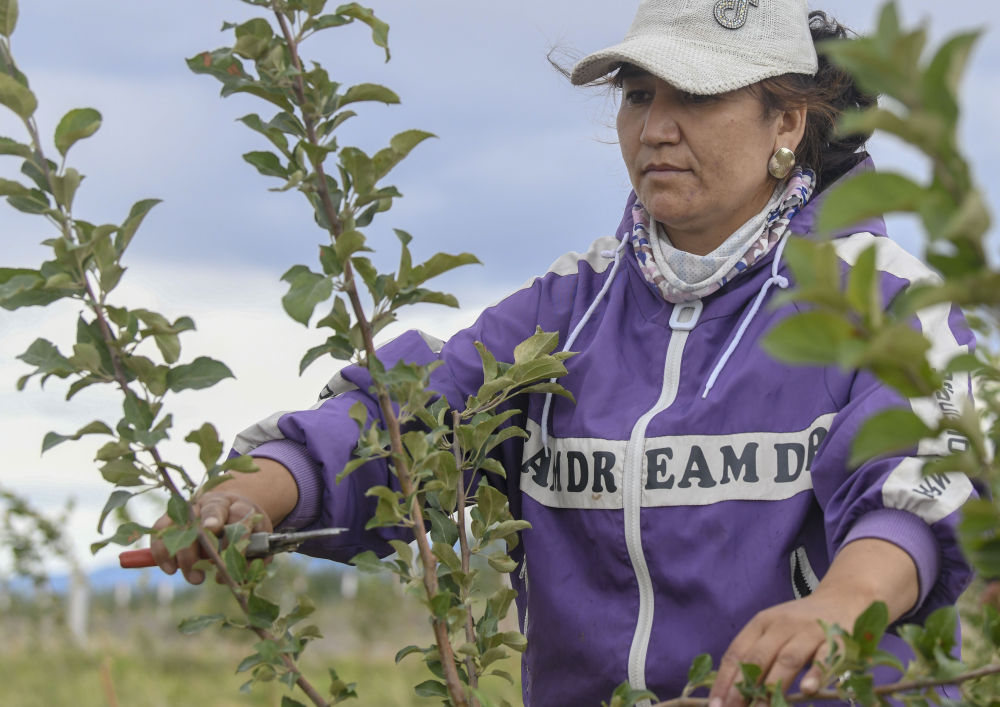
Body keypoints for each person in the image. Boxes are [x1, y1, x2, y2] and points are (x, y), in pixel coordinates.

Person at [151, 1, 976, 705]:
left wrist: (842, 604)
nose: (656, 127)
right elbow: (407, 424)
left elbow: (920, 488)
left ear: (787, 121)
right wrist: (255, 492)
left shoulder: (885, 302)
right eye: (639, 95)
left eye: (695, 95)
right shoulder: (568, 310)